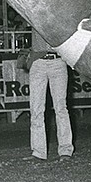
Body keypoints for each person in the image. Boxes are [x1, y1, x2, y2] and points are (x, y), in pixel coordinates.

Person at [21, 27, 73, 161]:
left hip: (58, 61)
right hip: (38, 63)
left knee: (61, 107)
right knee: (36, 108)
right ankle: (38, 152)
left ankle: (66, 150)